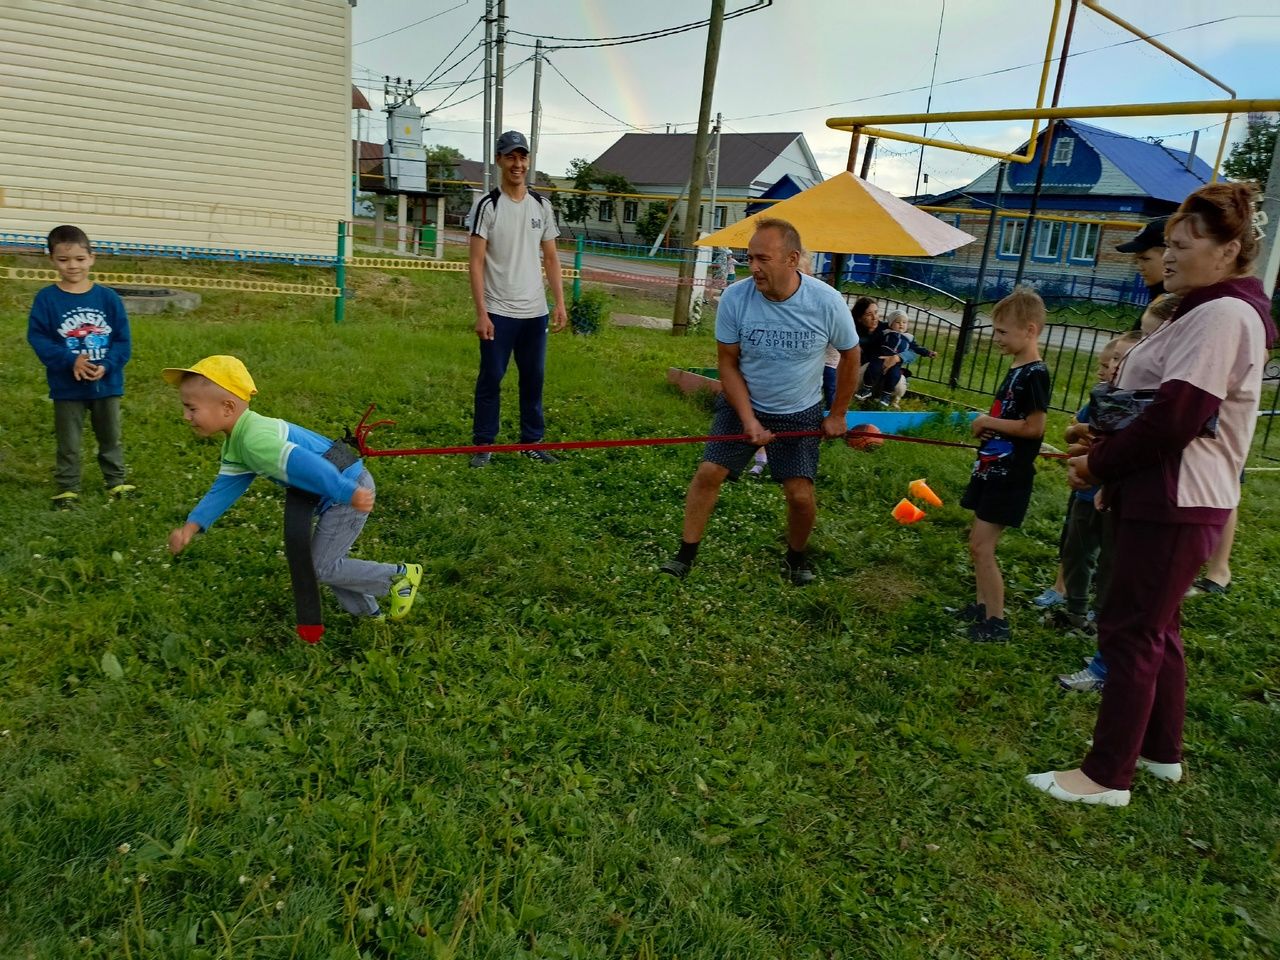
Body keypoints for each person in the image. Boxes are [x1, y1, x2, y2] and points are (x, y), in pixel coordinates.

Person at [1027, 181, 1276, 806]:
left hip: (1174, 498)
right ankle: (1161, 753)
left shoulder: (1221, 314)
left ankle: (1106, 775)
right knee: (1158, 630)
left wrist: (1099, 465)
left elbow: (1178, 417)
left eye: (1185, 244)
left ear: (1229, 251)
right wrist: (1102, 433)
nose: (1169, 255)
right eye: (1168, 243)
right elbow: (1155, 405)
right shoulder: (1202, 310)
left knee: (1131, 630)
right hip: (1167, 494)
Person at [659, 218, 858, 585]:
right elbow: (727, 363)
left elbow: (851, 355)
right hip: (743, 403)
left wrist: (838, 413)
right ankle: (685, 554)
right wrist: (749, 420)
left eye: (762, 258)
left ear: (792, 259)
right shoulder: (736, 297)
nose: (753, 267)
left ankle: (796, 558)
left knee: (800, 495)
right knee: (709, 472)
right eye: (749, 258)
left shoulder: (826, 302)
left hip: (800, 411)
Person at [163, 355, 422, 623]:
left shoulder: (255, 441)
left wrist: (347, 491)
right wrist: (191, 526)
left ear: (227, 407)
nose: (186, 416)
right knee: (326, 559)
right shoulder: (238, 442)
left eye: (191, 408)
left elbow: (307, 464)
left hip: (348, 489)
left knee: (320, 566)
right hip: (337, 489)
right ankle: (370, 615)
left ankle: (398, 576)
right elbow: (224, 489)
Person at [954, 288, 1050, 642]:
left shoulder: (1036, 373)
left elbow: (1035, 428)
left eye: (1002, 332)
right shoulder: (1017, 368)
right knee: (975, 543)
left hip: (1009, 475)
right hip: (992, 468)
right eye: (995, 331)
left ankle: (996, 623)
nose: (996, 339)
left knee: (982, 546)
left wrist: (988, 423)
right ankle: (981, 608)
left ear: (1030, 330)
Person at [1050, 331, 1143, 694]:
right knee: (1075, 550)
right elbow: (1074, 433)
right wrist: (1080, 430)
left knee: (1110, 565)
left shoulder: (1139, 404)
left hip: (1115, 499)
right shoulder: (1103, 398)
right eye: (1108, 362)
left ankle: (1102, 622)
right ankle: (1075, 610)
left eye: (1118, 361)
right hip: (1086, 494)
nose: (1111, 368)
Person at [467, 130, 567, 468]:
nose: (518, 164)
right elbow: (476, 261)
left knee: (533, 377)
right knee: (492, 376)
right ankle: (483, 444)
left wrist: (560, 304)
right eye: (511, 157)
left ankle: (531, 441)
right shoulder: (487, 205)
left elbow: (551, 258)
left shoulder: (542, 205)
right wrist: (482, 313)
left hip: (534, 312)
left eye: (522, 157)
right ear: (499, 160)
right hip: (498, 310)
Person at [26, 225, 134, 508]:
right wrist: (69, 360)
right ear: (52, 260)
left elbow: (122, 341)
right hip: (67, 387)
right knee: (69, 441)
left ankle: (116, 481)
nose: (72, 265)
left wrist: (107, 366)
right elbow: (37, 337)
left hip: (106, 384)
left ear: (92, 257)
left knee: (110, 436)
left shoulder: (108, 298)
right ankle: (67, 487)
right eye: (63, 260)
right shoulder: (47, 299)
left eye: (79, 259)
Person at [862, 310, 938, 407]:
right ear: (891, 324)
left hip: (896, 363)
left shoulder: (909, 338)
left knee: (894, 375)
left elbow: (916, 349)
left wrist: (928, 352)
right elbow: (875, 343)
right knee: (873, 369)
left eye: (904, 322)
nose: (901, 325)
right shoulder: (886, 333)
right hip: (881, 357)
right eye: (897, 322)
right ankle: (866, 389)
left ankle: (886, 395)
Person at [1116, 215, 1169, 305]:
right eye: (1137, 260)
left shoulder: (1173, 306)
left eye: (1145, 259)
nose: (1139, 268)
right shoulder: (1160, 298)